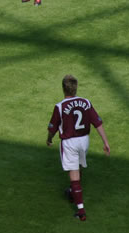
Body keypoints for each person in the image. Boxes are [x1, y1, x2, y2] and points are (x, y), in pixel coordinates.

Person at [46, 75, 110, 221]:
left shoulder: (60, 106)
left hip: (70, 142)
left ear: (63, 88)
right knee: (78, 166)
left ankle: (81, 211)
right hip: (84, 141)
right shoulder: (86, 102)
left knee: (73, 173)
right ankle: (72, 191)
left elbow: (52, 128)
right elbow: (97, 122)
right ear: (76, 88)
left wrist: (49, 139)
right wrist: (105, 142)